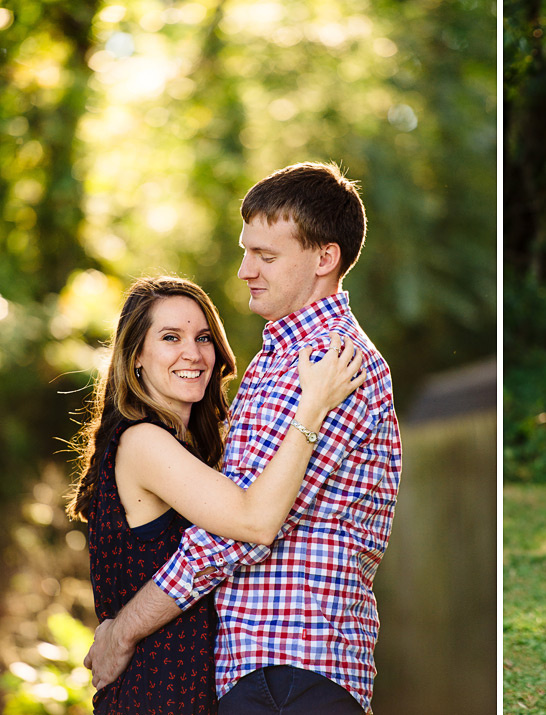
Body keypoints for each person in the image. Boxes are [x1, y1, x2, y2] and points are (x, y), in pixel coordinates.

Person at [84, 161, 403, 715]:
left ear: (325, 259)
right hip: (255, 672)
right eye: (246, 250)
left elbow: (240, 530)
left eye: (266, 256)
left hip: (293, 666)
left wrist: (122, 632)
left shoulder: (328, 362)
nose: (244, 270)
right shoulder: (275, 363)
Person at [67, 275, 364, 714]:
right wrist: (313, 407)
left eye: (203, 337)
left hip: (191, 694)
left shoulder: (195, 450)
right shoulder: (144, 442)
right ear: (136, 360)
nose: (193, 353)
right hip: (153, 697)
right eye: (171, 337)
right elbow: (255, 520)